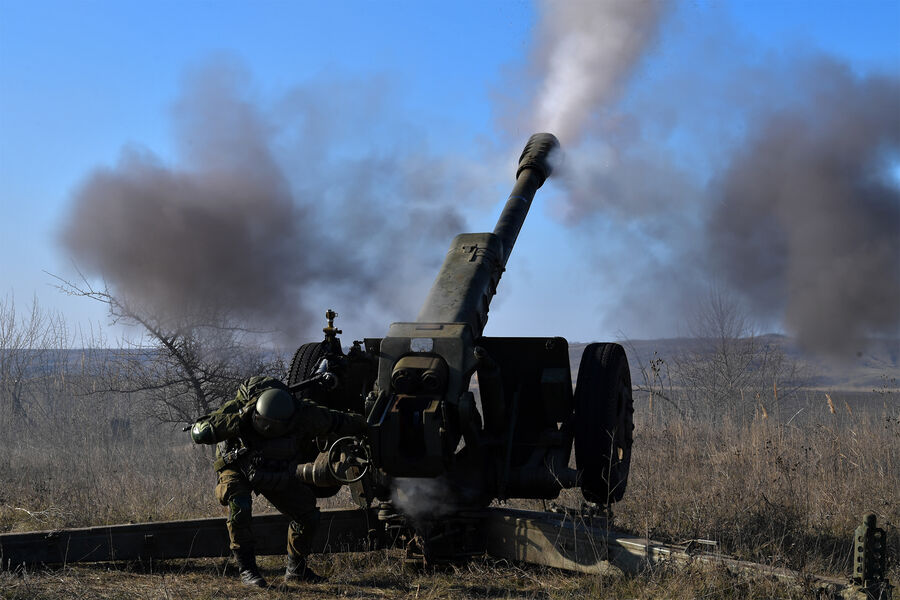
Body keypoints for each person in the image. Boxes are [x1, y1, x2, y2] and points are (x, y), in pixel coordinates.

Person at [189, 375, 367, 587]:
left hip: (276, 468)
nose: (267, 430)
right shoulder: (237, 411)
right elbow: (199, 431)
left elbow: (339, 420)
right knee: (239, 506)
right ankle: (247, 569)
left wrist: (368, 423)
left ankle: (297, 570)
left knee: (307, 514)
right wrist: (234, 421)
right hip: (237, 465)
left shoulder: (305, 414)